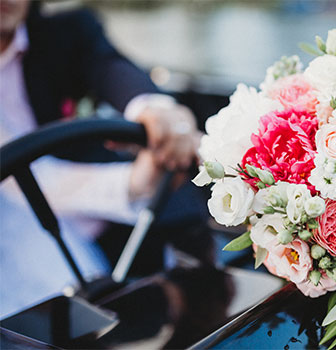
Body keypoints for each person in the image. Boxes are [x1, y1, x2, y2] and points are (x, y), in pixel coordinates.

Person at [0, 0, 203, 318]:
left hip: (98, 215)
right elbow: (17, 180)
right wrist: (134, 185)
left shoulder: (66, 31)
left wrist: (157, 112)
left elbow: (108, 66)